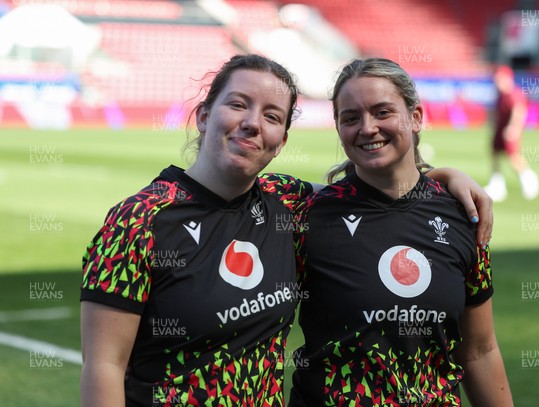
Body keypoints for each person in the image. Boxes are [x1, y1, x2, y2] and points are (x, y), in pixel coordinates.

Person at [80, 54, 493, 406]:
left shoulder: (287, 202)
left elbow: (382, 189)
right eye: (238, 105)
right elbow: (105, 365)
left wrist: (443, 178)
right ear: (204, 116)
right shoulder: (139, 220)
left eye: (271, 116)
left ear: (280, 142)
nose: (252, 124)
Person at [289, 58, 513, 406]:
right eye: (351, 117)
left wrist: (442, 178)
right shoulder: (307, 213)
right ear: (338, 128)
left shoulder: (463, 213)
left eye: (382, 112)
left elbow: (479, 351)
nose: (367, 128)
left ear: (416, 117)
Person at [484, 65, 539, 202]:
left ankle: (529, 181)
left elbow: (519, 111)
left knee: (514, 158)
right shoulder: (500, 95)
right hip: (500, 130)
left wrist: (513, 128)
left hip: (509, 131)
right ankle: (497, 185)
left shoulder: (514, 94)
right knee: (495, 155)